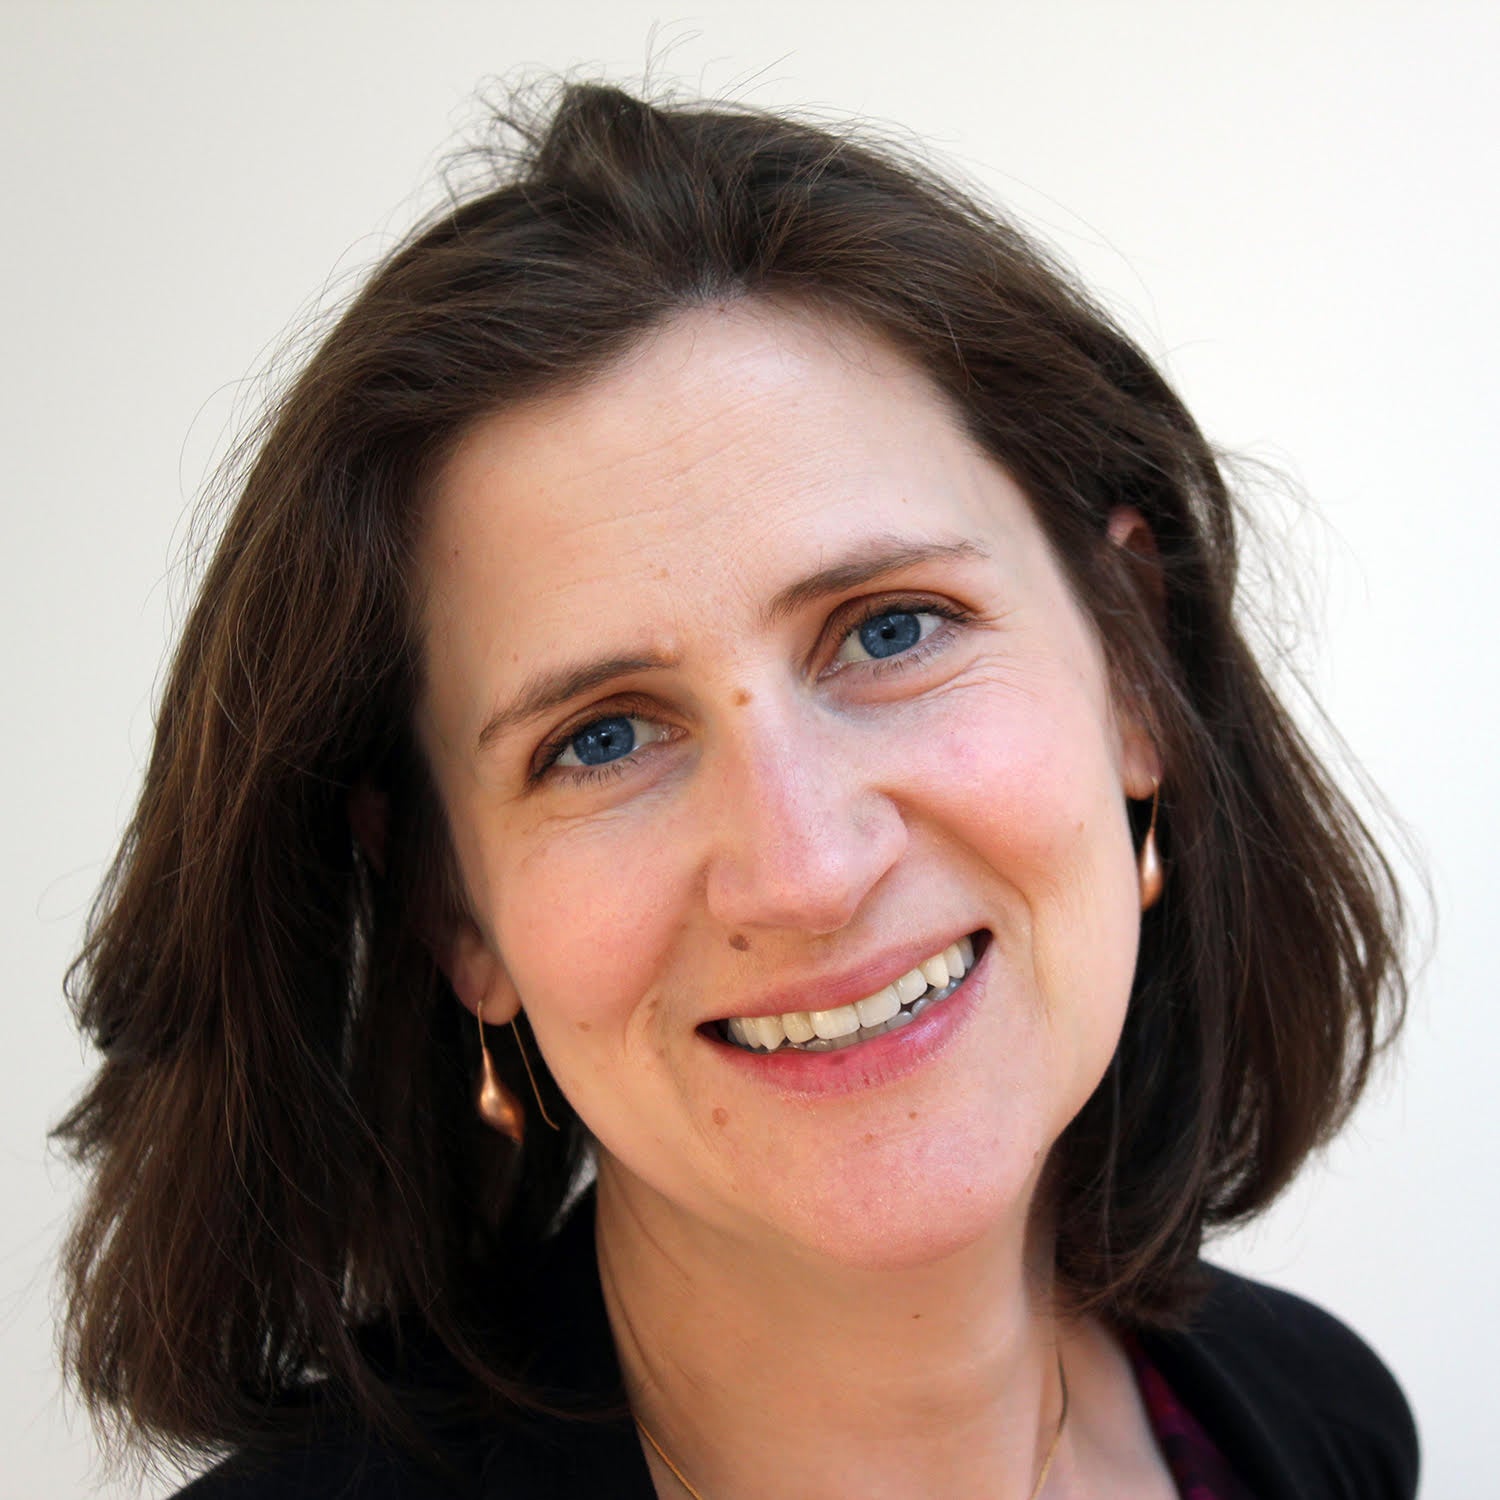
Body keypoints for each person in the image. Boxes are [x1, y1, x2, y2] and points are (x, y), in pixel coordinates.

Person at [56, 81, 1417, 1499]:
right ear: (454, 906)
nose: (807, 867)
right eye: (601, 738)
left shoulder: (1320, 1430)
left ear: (1132, 668)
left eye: (891, 629)